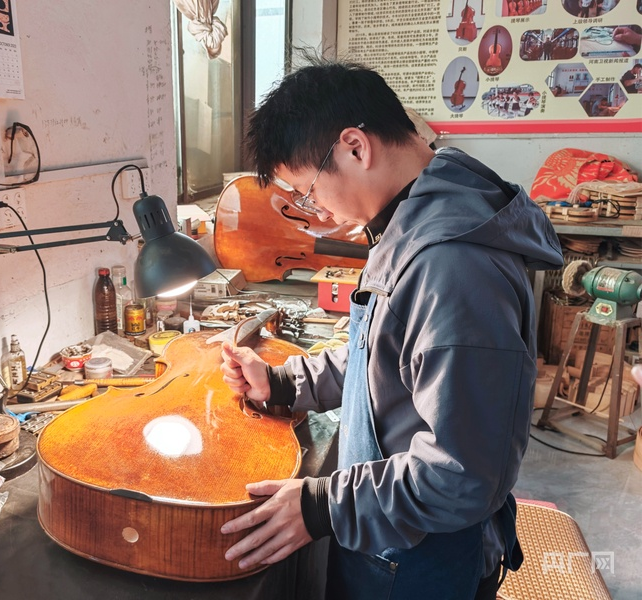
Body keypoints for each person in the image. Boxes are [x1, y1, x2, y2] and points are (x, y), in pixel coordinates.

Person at [219, 58, 563, 600]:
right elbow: (382, 352)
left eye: (308, 191)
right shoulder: (408, 219)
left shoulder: (452, 267)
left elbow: (463, 474)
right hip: (386, 532)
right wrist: (284, 382)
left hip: (422, 560)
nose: (315, 212)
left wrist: (323, 505)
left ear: (355, 147)